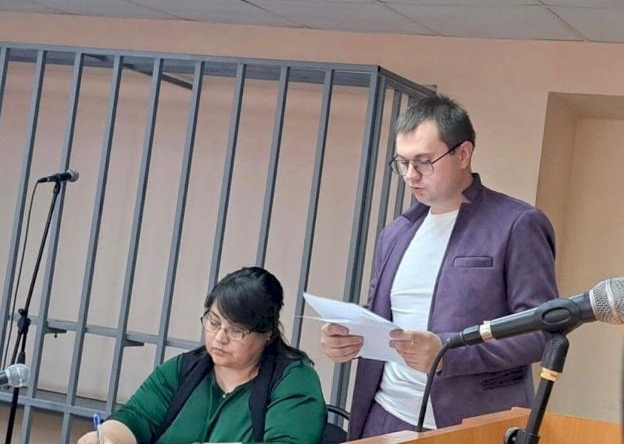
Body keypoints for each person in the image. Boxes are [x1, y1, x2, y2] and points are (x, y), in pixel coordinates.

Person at [321, 94, 558, 439]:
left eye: (423, 162)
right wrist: (350, 336)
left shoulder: (516, 223)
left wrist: (448, 354)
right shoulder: (396, 233)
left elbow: (540, 332)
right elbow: (384, 316)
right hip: (387, 414)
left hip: (471, 422)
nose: (410, 175)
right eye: (402, 162)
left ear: (463, 154)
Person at [79, 266, 326, 444]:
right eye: (214, 322)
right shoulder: (184, 370)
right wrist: (107, 436)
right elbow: (136, 418)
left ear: (267, 334)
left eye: (236, 330)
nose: (219, 338)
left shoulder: (294, 379)